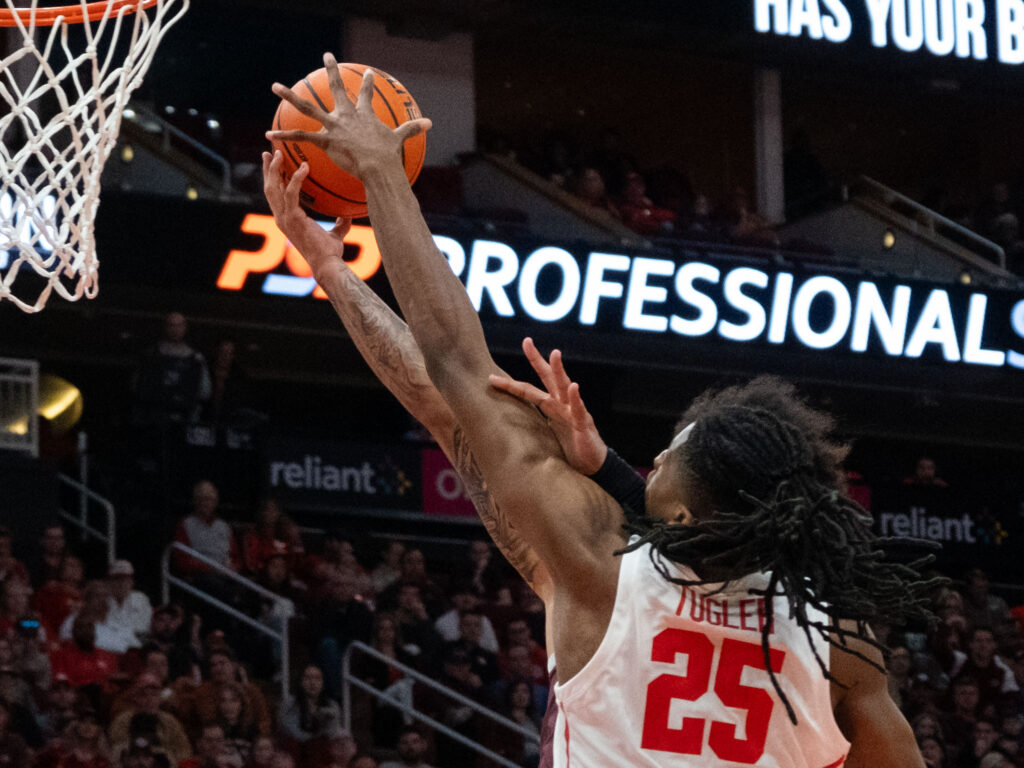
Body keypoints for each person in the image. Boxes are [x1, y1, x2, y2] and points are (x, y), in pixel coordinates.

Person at [265, 60, 938, 767]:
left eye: (670, 455)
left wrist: (379, 185)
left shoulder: (599, 568)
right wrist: (610, 471)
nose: (656, 458)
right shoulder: (840, 640)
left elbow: (453, 372)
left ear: (682, 516)